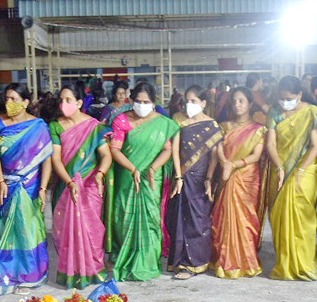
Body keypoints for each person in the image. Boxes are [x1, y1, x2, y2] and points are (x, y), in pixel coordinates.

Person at [264, 75, 317, 280]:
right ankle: (285, 264)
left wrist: (300, 171)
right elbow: (270, 144)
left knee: (303, 217)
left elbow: (315, 146)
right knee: (279, 217)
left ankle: (304, 264)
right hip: (280, 168)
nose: (285, 102)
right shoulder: (274, 112)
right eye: (282, 98)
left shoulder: (311, 113)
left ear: (300, 95)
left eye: (289, 98)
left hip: (306, 168)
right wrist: (279, 167)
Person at [107, 80, 178, 281]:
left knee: (152, 220)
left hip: (151, 180)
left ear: (154, 102)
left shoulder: (163, 123)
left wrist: (153, 168)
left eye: (146, 101)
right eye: (138, 101)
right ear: (131, 100)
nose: (141, 105)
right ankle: (126, 257)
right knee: (124, 219)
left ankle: (148, 262)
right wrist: (133, 168)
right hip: (128, 178)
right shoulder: (121, 120)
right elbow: (115, 149)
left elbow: (167, 150)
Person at [0, 83, 52, 294]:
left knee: (28, 229)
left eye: (15, 99)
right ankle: (8, 272)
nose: (10, 103)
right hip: (6, 183)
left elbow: (46, 159)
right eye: (7, 98)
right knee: (5, 228)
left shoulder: (38, 126)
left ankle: (30, 275)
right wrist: (0, 181)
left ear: (26, 102)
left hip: (30, 184)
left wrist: (43, 188)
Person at [49, 85, 111, 288]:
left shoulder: (93, 127)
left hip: (90, 186)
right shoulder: (56, 126)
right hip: (66, 185)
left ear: (79, 103)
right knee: (66, 229)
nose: (63, 104)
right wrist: (69, 182)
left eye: (68, 100)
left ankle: (94, 269)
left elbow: (106, 155)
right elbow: (56, 160)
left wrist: (100, 175)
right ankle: (72, 272)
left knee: (91, 229)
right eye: (61, 100)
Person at [165, 85, 223, 279]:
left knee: (198, 220)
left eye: (194, 101)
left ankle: (196, 263)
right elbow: (174, 149)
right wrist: (178, 176)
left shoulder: (212, 125)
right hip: (182, 176)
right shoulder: (179, 120)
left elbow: (214, 155)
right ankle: (179, 262)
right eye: (186, 101)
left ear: (203, 103)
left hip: (200, 178)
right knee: (178, 218)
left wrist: (208, 179)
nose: (189, 105)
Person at [211, 86, 266, 278]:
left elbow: (256, 155)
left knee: (247, 219)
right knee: (225, 216)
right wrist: (224, 162)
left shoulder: (259, 129)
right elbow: (218, 148)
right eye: (234, 101)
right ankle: (226, 260)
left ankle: (247, 261)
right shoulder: (224, 126)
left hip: (247, 177)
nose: (237, 104)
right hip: (227, 174)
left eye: (241, 100)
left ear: (250, 104)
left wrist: (235, 164)